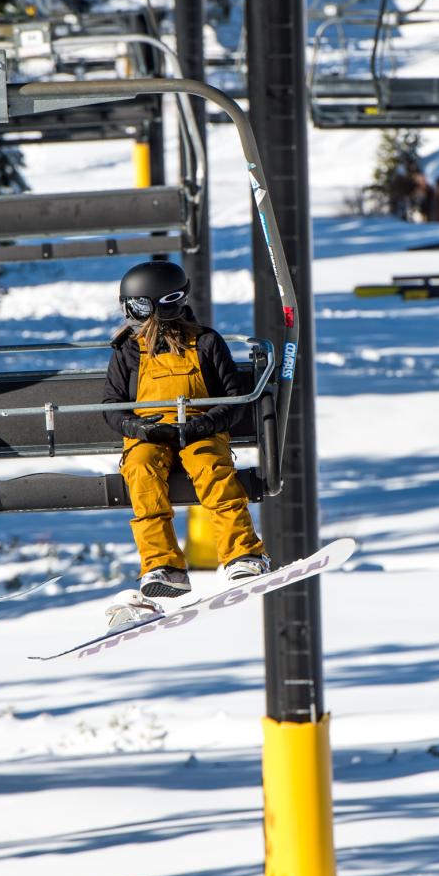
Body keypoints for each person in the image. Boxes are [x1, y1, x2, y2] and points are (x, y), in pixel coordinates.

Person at [101, 260, 273, 629]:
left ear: (163, 303)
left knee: (212, 468)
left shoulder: (207, 342)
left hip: (200, 430)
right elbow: (112, 405)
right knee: (141, 468)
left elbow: (234, 398)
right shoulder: (128, 351)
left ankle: (242, 554)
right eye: (130, 307)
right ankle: (163, 564)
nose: (132, 316)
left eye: (139, 307)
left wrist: (207, 422)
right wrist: (138, 428)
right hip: (150, 432)